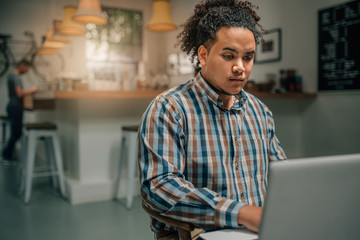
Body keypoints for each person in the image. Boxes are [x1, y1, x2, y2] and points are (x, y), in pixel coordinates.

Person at [138, 0, 287, 238]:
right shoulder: (169, 109)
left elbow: (283, 176)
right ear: (204, 55)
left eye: (248, 58)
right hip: (199, 235)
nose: (240, 67)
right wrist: (243, 213)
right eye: (229, 56)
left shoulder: (261, 112)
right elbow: (159, 188)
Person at [1, 59, 37, 163]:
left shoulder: (12, 76)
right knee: (16, 133)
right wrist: (32, 90)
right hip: (15, 107)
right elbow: (19, 94)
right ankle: (5, 155)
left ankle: (7, 154)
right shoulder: (15, 77)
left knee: (16, 133)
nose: (27, 71)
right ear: (22, 65)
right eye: (27, 68)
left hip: (13, 106)